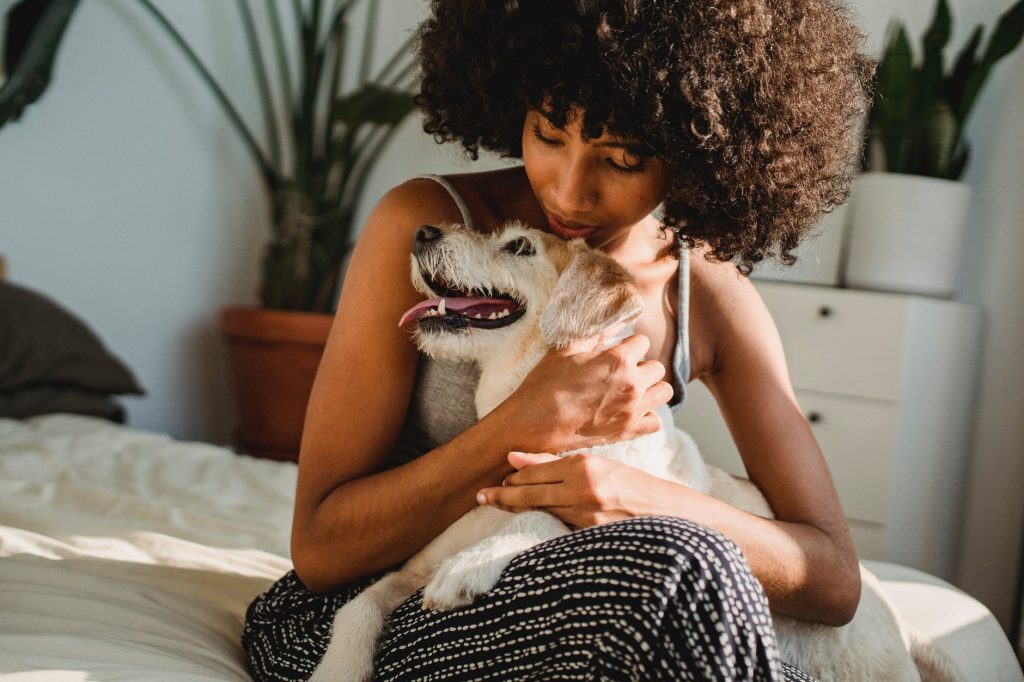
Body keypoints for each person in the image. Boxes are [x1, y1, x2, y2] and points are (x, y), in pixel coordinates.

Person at [242, 1, 874, 680]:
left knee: (692, 568)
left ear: (697, 156)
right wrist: (528, 422)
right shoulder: (432, 230)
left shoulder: (705, 295)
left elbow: (832, 581)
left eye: (623, 159)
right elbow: (321, 549)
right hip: (374, 614)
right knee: (682, 577)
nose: (569, 191)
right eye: (547, 134)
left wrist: (635, 499)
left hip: (591, 606)